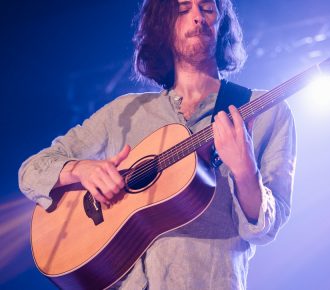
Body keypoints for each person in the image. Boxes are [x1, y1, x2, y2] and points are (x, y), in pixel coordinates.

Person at [18, 0, 296, 289]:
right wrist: (81, 170)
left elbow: (266, 228)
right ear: (162, 25)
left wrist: (245, 172)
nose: (198, 17)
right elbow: (31, 171)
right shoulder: (124, 112)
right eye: (183, 9)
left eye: (207, 8)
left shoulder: (263, 110)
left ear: (222, 21)